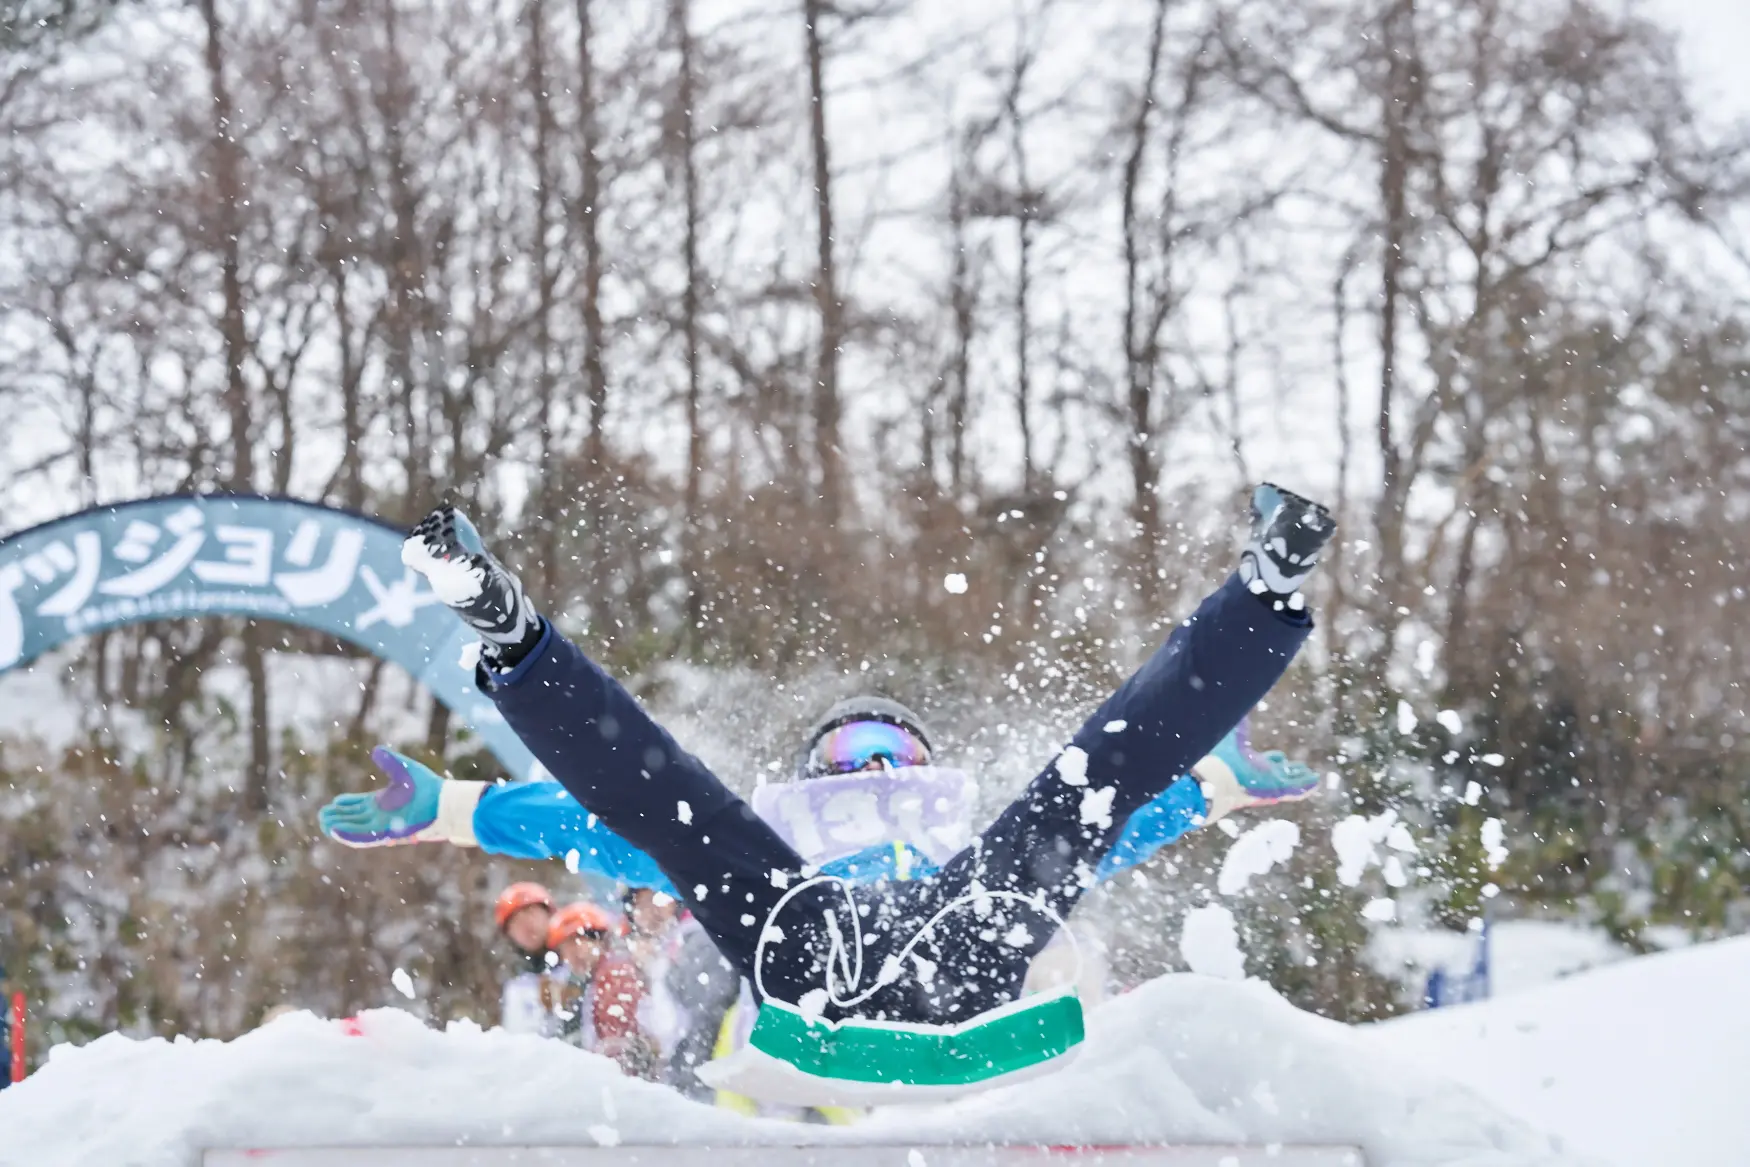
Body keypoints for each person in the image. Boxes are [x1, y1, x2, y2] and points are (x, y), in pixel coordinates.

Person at [322, 482, 1334, 1103]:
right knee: (687, 810)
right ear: (818, 769)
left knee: (1071, 796)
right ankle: (511, 634)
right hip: (810, 949)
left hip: (960, 955)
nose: (874, 767)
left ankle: (1265, 591)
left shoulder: (960, 857)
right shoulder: (786, 846)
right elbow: (621, 821)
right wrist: (455, 810)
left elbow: (1107, 824)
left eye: (891, 747)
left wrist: (1211, 787)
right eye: (853, 747)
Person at [546, 901, 659, 1079]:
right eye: (565, 949)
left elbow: (616, 1043)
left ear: (599, 939)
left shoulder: (614, 975)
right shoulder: (599, 976)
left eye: (576, 944)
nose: (571, 956)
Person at [493, 881, 555, 1034]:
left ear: (549, 915)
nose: (527, 925)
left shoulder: (579, 967)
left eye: (531, 913)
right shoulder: (515, 988)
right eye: (517, 921)